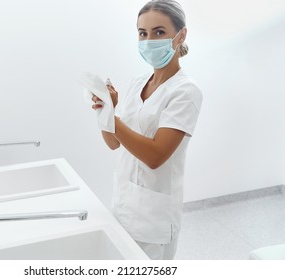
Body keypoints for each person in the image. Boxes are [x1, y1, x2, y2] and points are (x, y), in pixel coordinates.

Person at [91, 0, 202, 259]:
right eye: (143, 33)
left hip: (155, 219)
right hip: (123, 206)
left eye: (159, 32)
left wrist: (113, 118)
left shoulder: (186, 91)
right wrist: (105, 109)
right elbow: (113, 143)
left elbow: (155, 156)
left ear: (181, 34)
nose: (149, 40)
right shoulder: (137, 82)